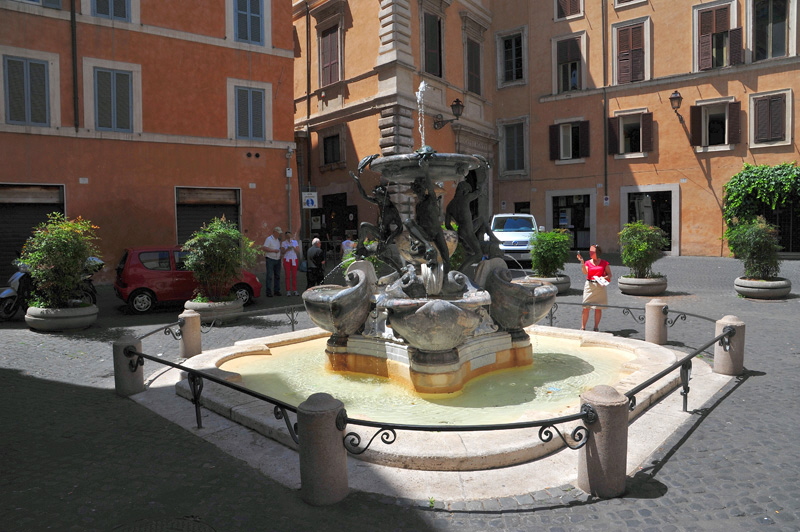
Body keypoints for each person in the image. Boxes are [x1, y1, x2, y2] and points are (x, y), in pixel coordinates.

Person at [578, 244, 612, 331]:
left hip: (600, 286)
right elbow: (585, 272)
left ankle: (596, 327)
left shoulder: (604, 263)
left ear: (597, 253)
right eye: (590, 251)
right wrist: (582, 262)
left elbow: (609, 275)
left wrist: (602, 278)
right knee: (585, 307)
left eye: (592, 252)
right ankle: (583, 327)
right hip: (589, 286)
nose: (590, 253)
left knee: (598, 308)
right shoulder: (588, 262)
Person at [262, 226, 283, 297]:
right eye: (278, 233)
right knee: (269, 276)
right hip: (270, 259)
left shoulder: (278, 240)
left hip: (277, 259)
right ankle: (268, 291)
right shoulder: (269, 239)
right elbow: (264, 248)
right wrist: (274, 251)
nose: (279, 234)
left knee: (277, 276)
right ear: (274, 232)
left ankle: (276, 290)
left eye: (279, 233)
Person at [281, 230, 301, 296]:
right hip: (287, 259)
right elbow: (282, 252)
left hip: (294, 259)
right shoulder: (284, 243)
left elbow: (298, 251)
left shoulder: (295, 242)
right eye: (287, 236)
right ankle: (288, 290)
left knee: (294, 275)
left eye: (289, 236)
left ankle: (295, 290)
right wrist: (287, 249)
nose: (288, 237)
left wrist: (293, 247)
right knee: (287, 275)